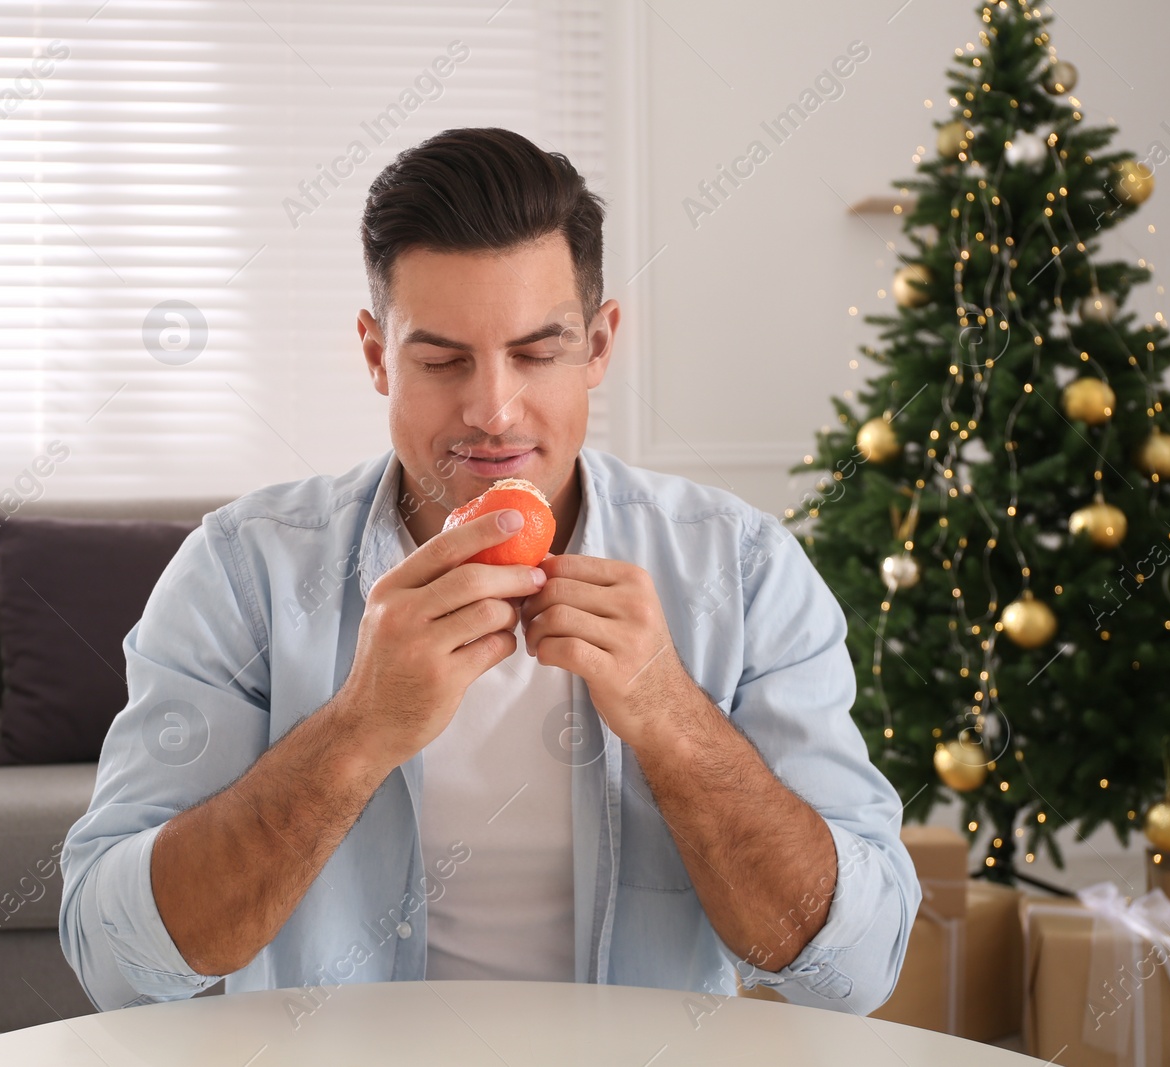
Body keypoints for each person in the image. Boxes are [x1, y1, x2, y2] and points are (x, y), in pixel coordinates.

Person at [58, 126, 919, 1016]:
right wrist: (357, 730)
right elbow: (121, 966)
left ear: (599, 344)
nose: (493, 410)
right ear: (374, 355)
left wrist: (672, 718)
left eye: (538, 353)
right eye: (441, 360)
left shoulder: (742, 570)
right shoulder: (241, 571)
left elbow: (849, 973)